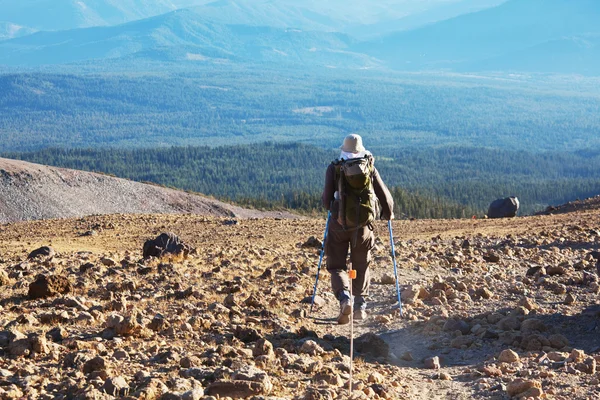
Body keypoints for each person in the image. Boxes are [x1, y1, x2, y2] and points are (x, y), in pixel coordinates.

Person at [322, 134, 394, 324]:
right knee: (361, 264)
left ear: (343, 149)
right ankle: (360, 306)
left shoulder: (335, 167)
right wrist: (388, 213)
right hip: (363, 227)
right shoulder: (368, 165)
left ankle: (345, 298)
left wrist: (334, 208)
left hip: (338, 224)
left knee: (337, 266)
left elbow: (325, 200)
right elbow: (383, 194)